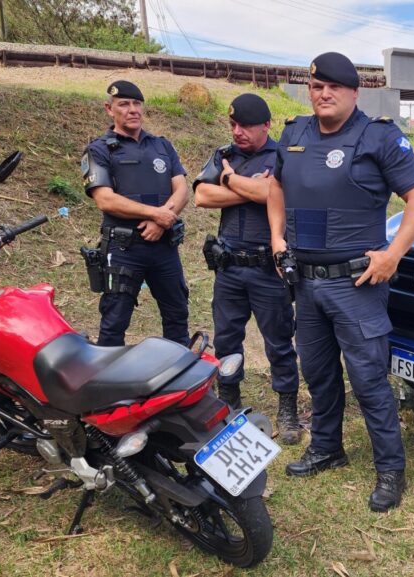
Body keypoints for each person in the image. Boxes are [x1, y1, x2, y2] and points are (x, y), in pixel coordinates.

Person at [267, 52, 414, 512]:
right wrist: (277, 237)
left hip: (356, 284)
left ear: (354, 92)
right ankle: (327, 447)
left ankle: (389, 470)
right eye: (317, 86)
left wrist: (393, 254)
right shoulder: (294, 132)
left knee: (367, 380)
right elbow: (276, 186)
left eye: (334, 87)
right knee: (318, 373)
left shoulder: (377, 136)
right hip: (306, 282)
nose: (324, 94)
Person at [194, 93, 302, 444]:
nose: (238, 131)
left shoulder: (281, 155)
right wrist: (256, 189)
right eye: (233, 125)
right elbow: (201, 197)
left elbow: (280, 196)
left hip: (266, 267)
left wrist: (228, 181)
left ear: (266, 125)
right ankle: (229, 399)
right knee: (226, 339)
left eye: (246, 126)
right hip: (229, 267)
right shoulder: (225, 155)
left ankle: (287, 408)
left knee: (279, 341)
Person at [81, 80, 191, 347]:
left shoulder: (162, 146)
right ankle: (109, 385)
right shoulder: (99, 149)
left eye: (137, 103)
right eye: (124, 104)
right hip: (124, 250)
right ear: (109, 109)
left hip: (164, 247)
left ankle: (179, 380)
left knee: (177, 315)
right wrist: (157, 215)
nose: (132, 110)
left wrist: (163, 222)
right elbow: (105, 200)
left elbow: (182, 189)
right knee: (115, 321)